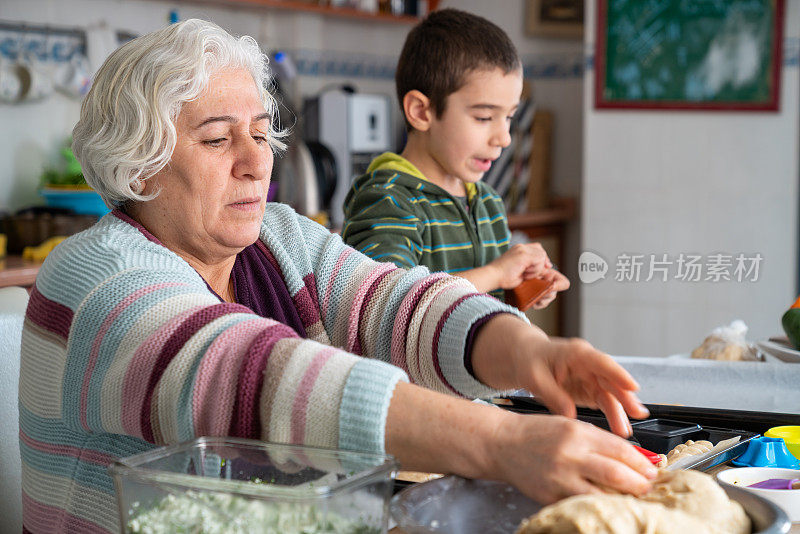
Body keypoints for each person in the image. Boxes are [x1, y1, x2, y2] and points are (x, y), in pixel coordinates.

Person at [19, 19, 655, 534]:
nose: (254, 162)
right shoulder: (97, 276)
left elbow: (392, 301)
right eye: (217, 140)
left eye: (263, 135)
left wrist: (527, 350)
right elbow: (244, 376)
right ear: (141, 165)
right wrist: (501, 441)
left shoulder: (281, 236)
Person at [342, 9, 569, 307]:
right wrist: (495, 273)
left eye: (509, 117)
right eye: (484, 117)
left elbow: (483, 304)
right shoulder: (388, 200)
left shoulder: (487, 202)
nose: (504, 138)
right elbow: (388, 303)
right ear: (422, 112)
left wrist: (523, 285)